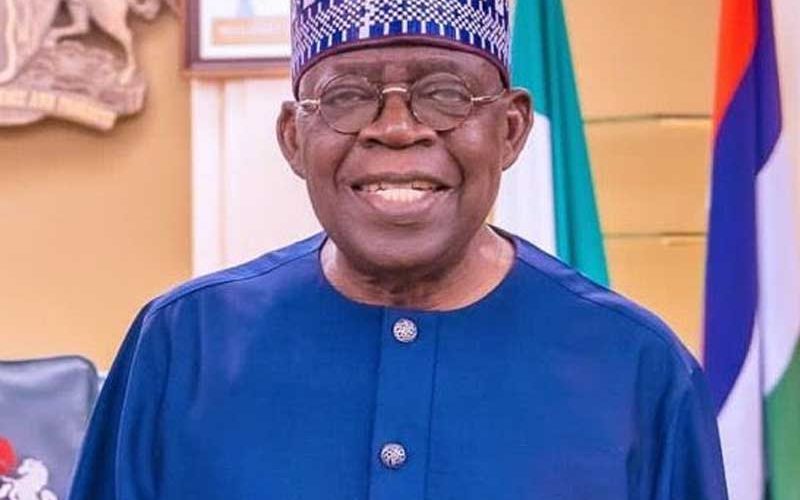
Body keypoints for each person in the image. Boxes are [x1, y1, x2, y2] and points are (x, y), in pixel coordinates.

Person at [68, 0, 728, 498]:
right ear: (294, 137)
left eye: (444, 94)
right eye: (347, 96)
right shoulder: (184, 346)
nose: (396, 129)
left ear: (511, 130)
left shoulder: (639, 371)